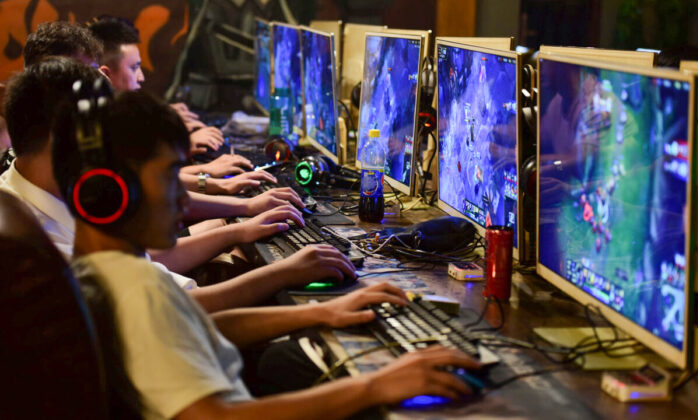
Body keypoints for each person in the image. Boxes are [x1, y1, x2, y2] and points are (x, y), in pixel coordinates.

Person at [52, 88, 481, 420]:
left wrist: (318, 313)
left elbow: (195, 326)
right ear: (109, 193)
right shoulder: (137, 288)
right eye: (169, 178)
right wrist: (375, 385)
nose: (184, 202)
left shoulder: (100, 269)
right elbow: (219, 417)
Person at [0, 57, 352, 313]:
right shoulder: (30, 240)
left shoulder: (52, 197)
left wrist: (238, 229)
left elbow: (148, 265)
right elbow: (175, 305)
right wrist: (284, 273)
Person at [87, 14, 262, 196]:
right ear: (104, 75)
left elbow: (154, 176)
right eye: (133, 68)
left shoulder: (107, 121)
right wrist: (210, 177)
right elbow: (159, 181)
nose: (141, 77)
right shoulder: (97, 132)